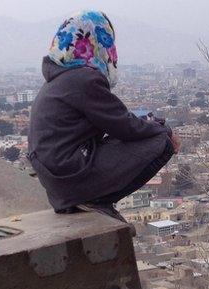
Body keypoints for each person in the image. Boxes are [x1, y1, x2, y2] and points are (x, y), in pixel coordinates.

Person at [27, 10, 179, 221]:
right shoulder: (83, 79)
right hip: (70, 174)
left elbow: (116, 121)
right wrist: (164, 130)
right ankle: (97, 200)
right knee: (162, 142)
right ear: (96, 41)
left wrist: (154, 123)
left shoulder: (61, 79)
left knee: (148, 134)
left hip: (58, 177)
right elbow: (124, 125)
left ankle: (90, 198)